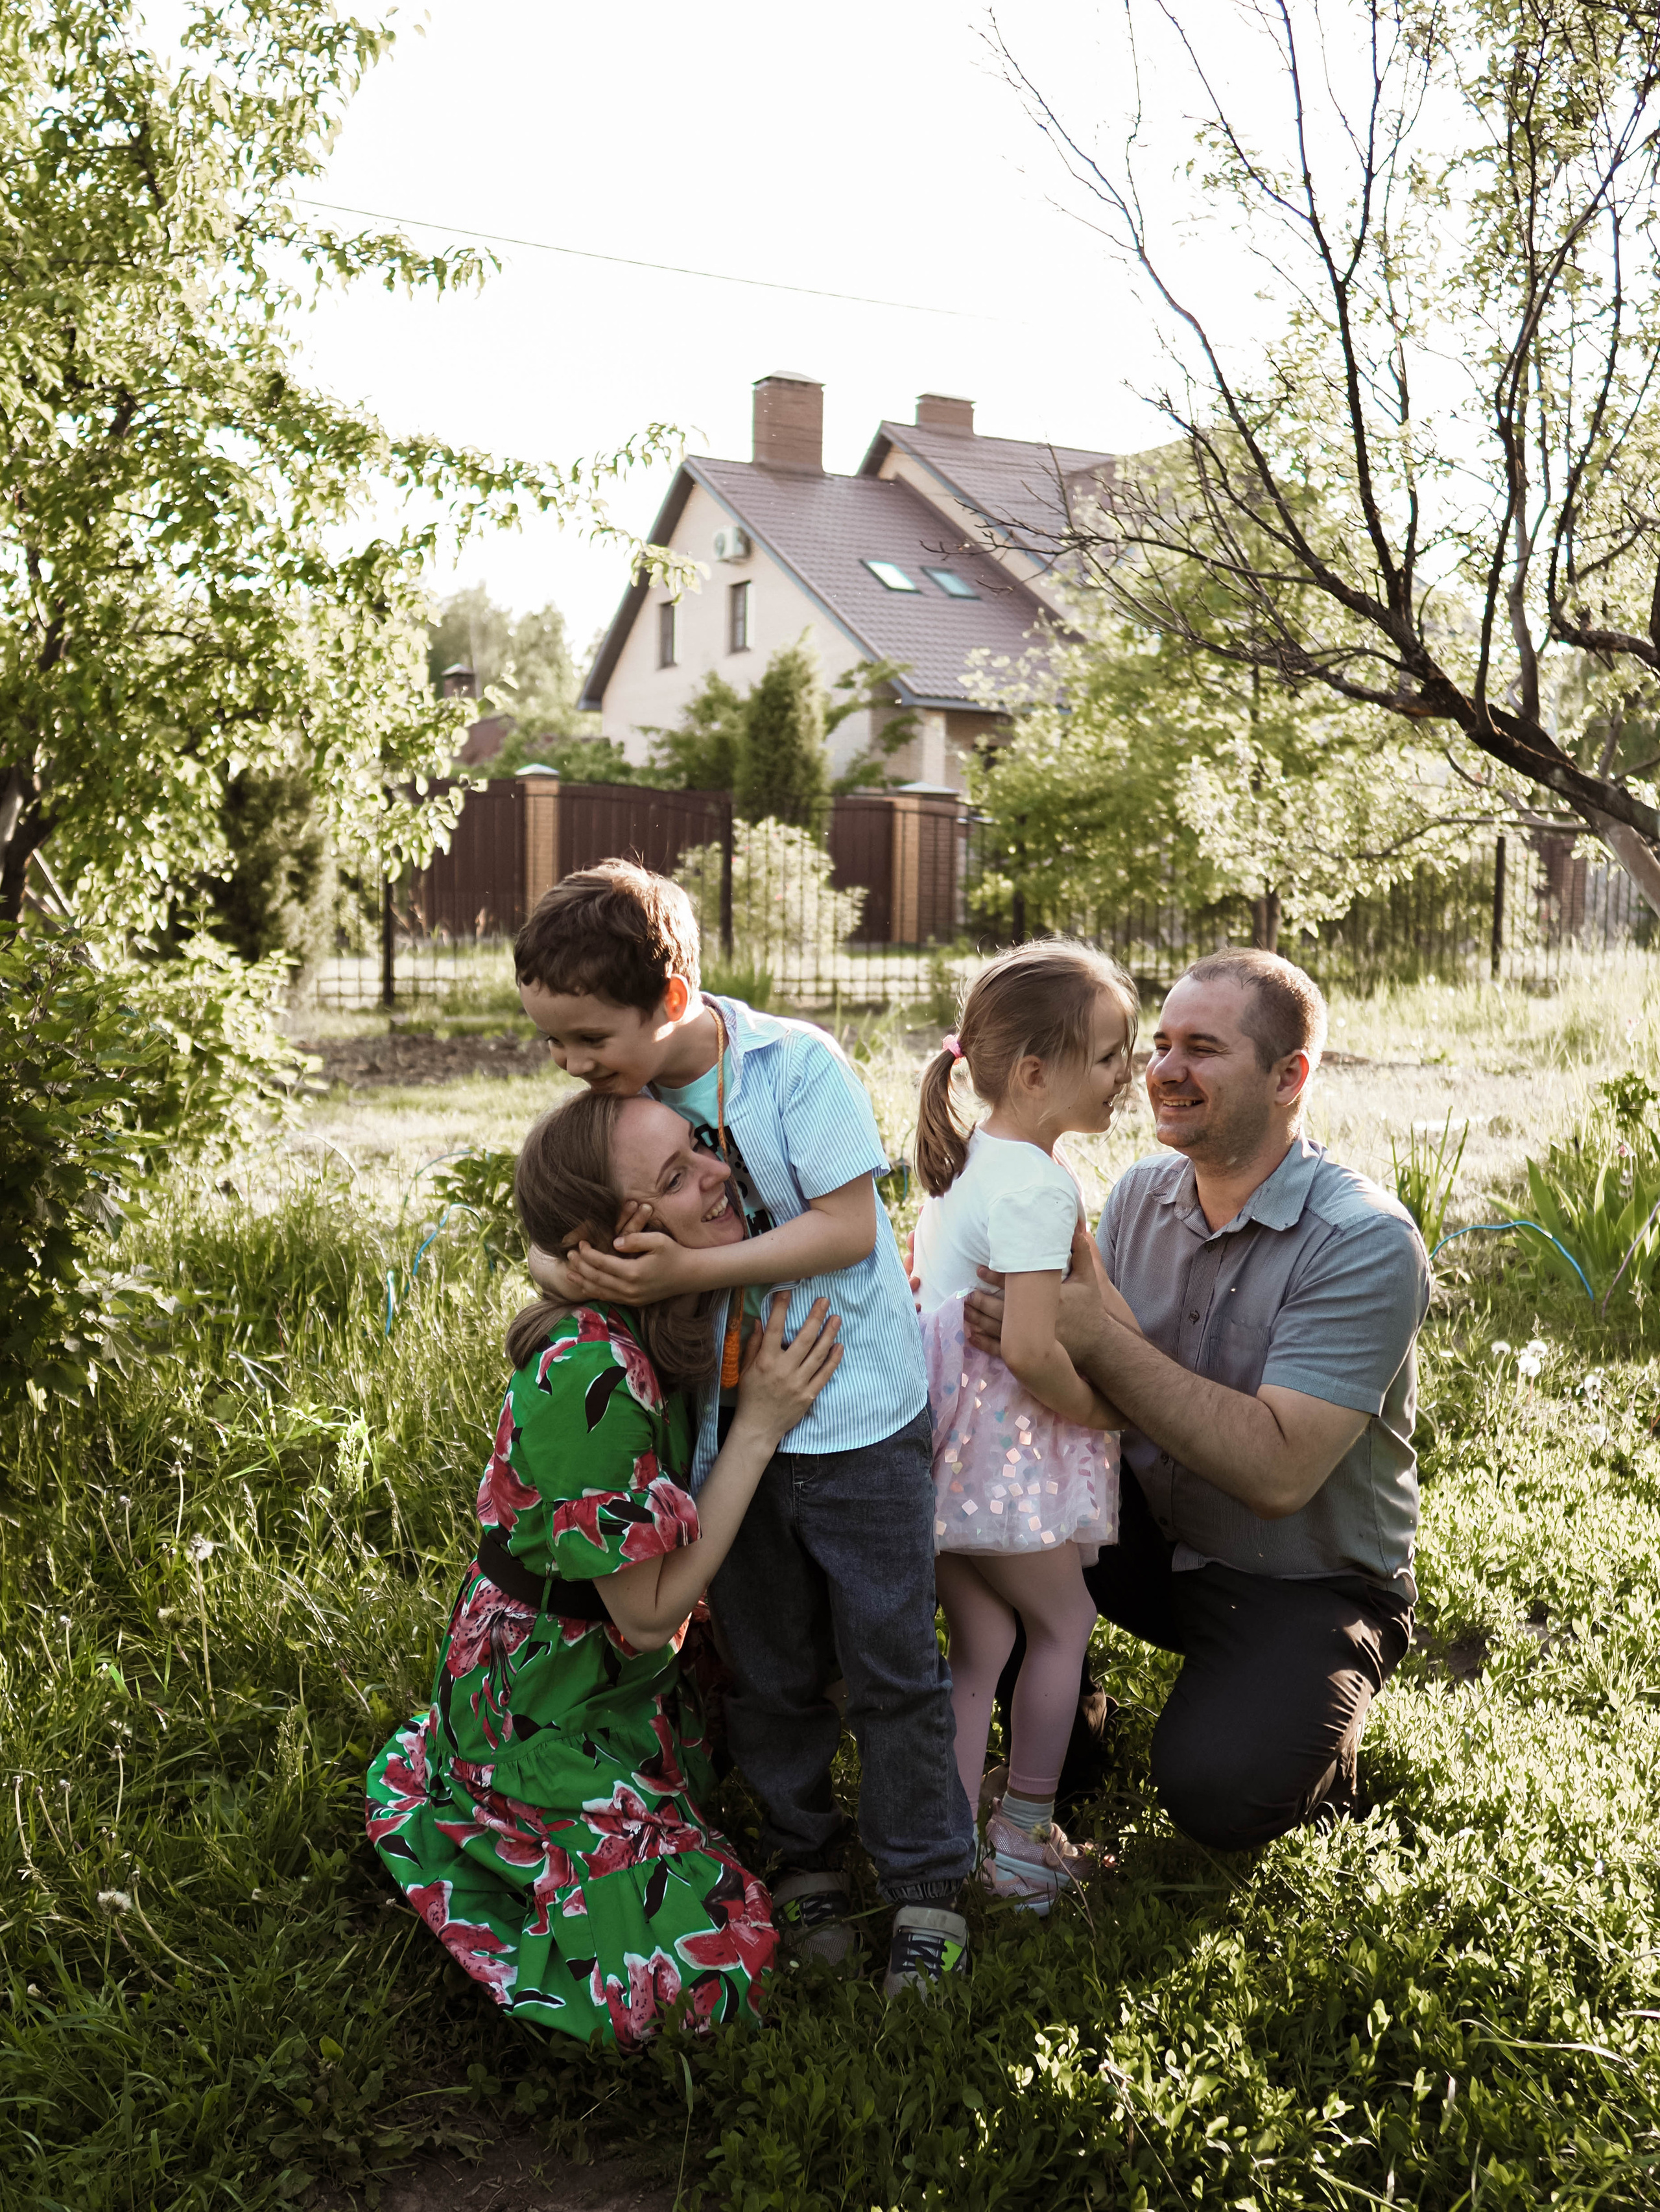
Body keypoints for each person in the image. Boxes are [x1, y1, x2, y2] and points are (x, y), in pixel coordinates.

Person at [512, 861, 977, 1997]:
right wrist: (560, 1269)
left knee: (892, 1665)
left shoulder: (792, 1067)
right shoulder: (625, 1113)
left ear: (669, 1001)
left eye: (587, 1037)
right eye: (553, 1042)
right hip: (731, 1435)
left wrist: (689, 1269)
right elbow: (558, 1228)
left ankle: (926, 1883)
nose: (569, 1062)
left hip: (858, 1418)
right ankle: (805, 1859)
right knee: (769, 1669)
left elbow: (848, 1229)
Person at [365, 1088, 843, 2051]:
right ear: (619, 1238)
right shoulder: (590, 1373)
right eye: (678, 1175)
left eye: (700, 1148)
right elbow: (647, 1615)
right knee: (699, 1972)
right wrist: (759, 1426)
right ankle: (492, 1807)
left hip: (615, 1659)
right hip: (550, 1690)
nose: (720, 1173)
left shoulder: (676, 1297)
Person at [966, 948, 1430, 1850]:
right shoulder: (1142, 1194)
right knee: (994, 1509)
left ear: (1289, 1077)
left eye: (1203, 1050)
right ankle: (1066, 1750)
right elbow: (1069, 1370)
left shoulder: (1363, 1239)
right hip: (1150, 1534)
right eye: (1161, 1045)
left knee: (1217, 1788)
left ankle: (1311, 1730)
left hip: (1300, 1578)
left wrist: (1094, 1336)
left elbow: (1277, 1474)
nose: (1164, 1071)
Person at [911, 941, 1139, 1909]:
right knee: (1065, 1622)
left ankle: (951, 1844)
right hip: (1005, 1456)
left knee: (983, 1641)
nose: (1129, 1073)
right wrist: (1105, 1411)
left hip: (943, 1452)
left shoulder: (972, 1162)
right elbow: (1036, 1349)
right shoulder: (1038, 1185)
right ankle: (1024, 1838)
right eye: (1110, 1055)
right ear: (1037, 1074)